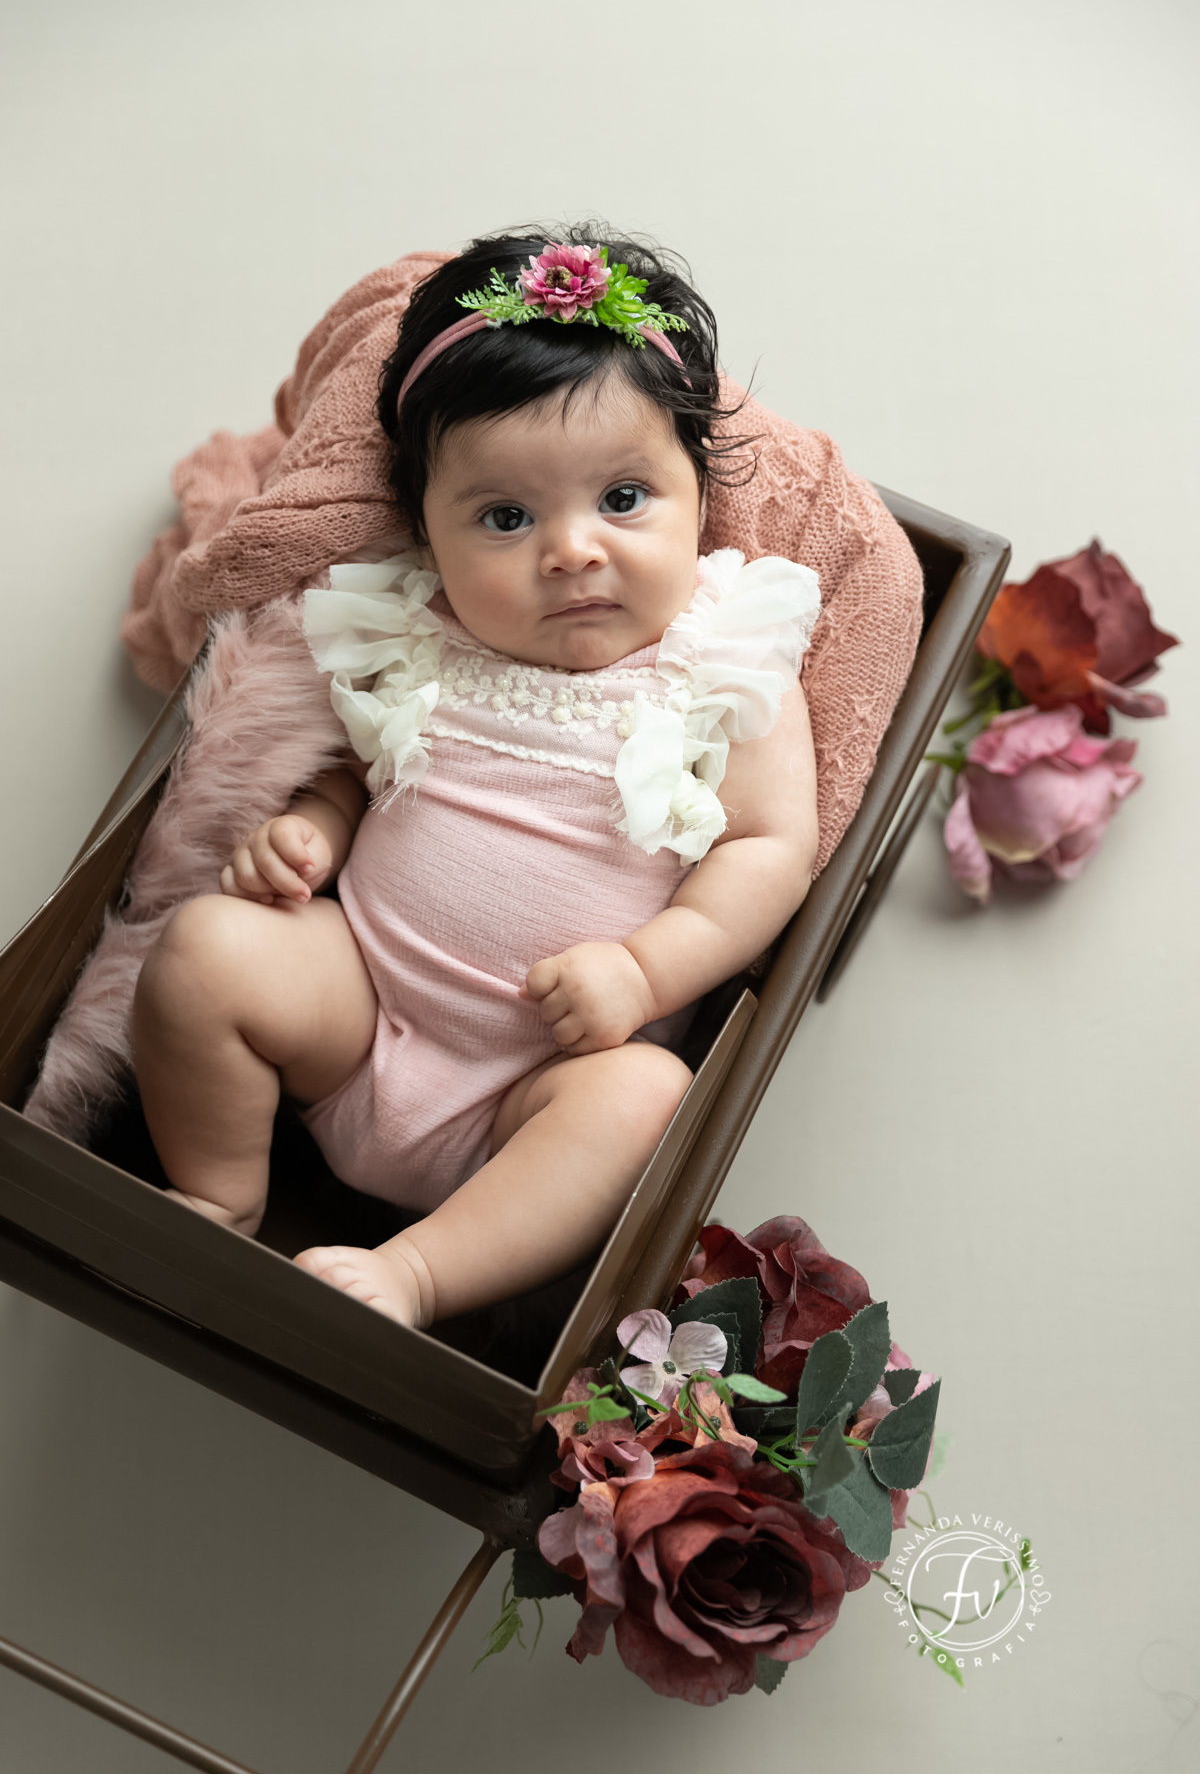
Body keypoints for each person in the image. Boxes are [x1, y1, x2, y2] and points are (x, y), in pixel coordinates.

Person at [131, 228, 821, 1330]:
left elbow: (769, 851)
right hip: (359, 1013)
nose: (572, 550)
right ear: (428, 533)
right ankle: (219, 1196)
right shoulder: (421, 630)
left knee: (645, 1095)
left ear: (700, 491)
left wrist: (644, 973)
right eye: (506, 517)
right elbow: (362, 765)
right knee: (206, 948)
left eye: (625, 497)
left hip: (531, 1095)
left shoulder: (722, 661)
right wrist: (314, 827)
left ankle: (416, 1271)